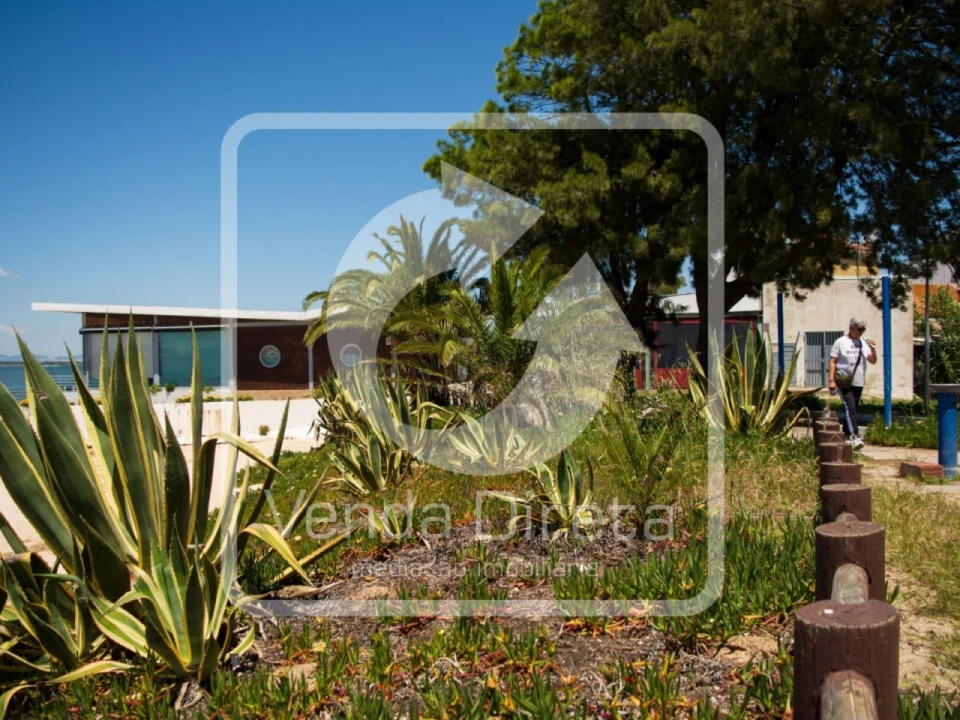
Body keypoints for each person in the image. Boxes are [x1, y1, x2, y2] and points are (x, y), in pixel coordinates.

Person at [828, 317, 877, 449]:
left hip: (858, 381)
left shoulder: (863, 343)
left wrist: (873, 350)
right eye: (859, 329)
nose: (861, 332)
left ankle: (845, 436)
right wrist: (831, 381)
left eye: (863, 329)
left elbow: (872, 361)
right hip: (843, 380)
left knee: (852, 409)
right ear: (851, 328)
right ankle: (855, 437)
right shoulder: (840, 342)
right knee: (850, 408)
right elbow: (833, 361)